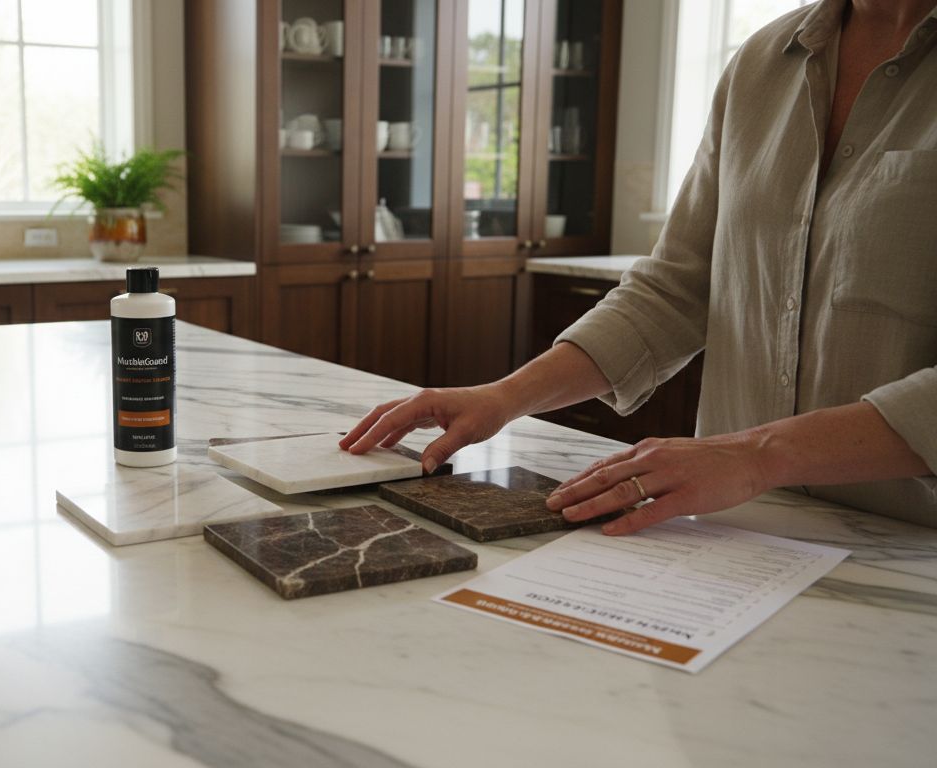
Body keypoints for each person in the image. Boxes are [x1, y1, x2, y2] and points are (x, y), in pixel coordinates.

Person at [341, 0, 937, 535]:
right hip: (735, 529)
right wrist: (503, 397)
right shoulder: (761, 61)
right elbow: (674, 288)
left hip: (910, 547)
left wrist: (758, 453)